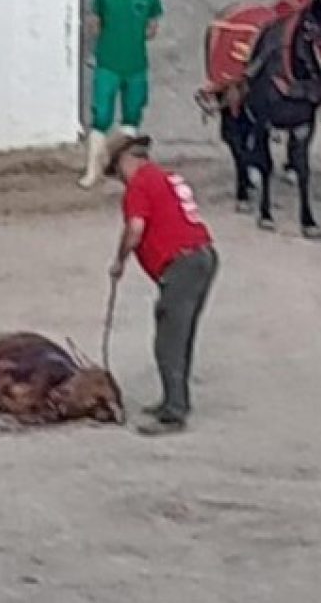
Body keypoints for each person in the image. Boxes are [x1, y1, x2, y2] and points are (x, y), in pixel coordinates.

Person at [105, 132, 219, 435]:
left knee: (168, 339)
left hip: (181, 264)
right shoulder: (166, 178)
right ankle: (175, 399)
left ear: (126, 161)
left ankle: (174, 411)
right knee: (181, 333)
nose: (120, 179)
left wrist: (120, 261)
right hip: (203, 256)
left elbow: (136, 228)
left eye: (117, 171)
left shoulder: (139, 185)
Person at [80, 0, 163, 188]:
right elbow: (95, 25)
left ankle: (120, 165)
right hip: (108, 64)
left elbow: (152, 29)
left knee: (132, 116)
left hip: (136, 66)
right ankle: (92, 170)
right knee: (102, 115)